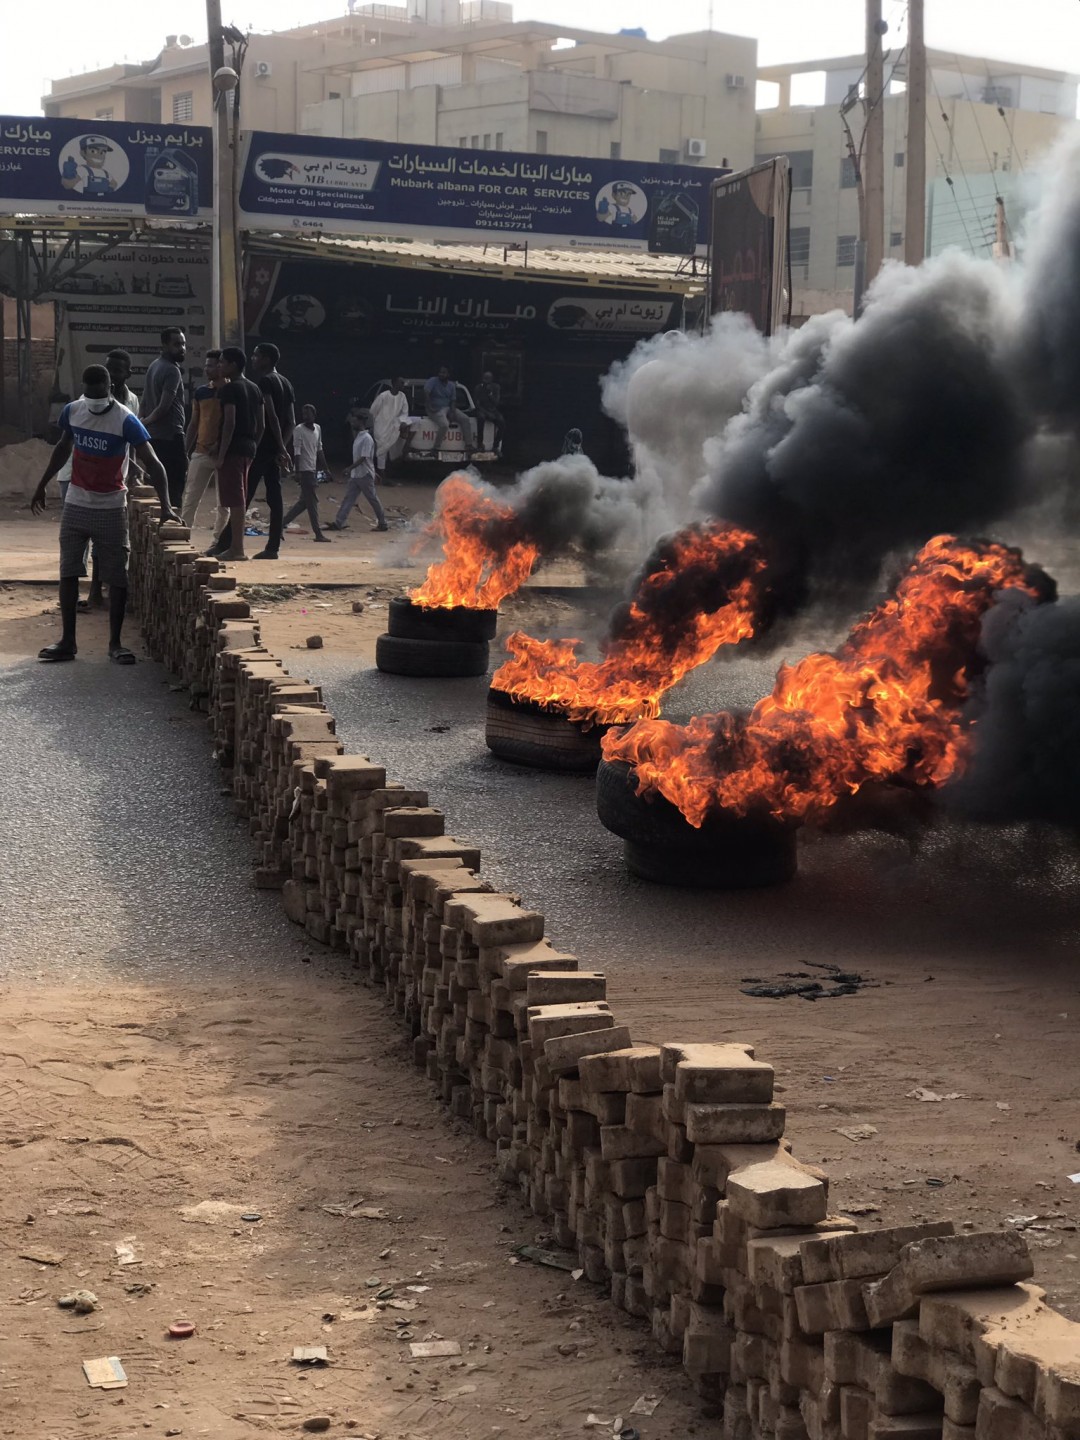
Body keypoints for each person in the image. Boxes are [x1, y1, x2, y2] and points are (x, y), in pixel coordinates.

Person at [30, 364, 179, 664]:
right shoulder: (73, 411)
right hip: (75, 504)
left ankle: (115, 643)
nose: (95, 405)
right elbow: (62, 447)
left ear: (110, 389)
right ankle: (67, 641)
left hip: (111, 507)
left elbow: (154, 463)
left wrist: (166, 507)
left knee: (117, 577)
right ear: (84, 390)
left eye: (100, 397)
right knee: (68, 572)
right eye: (90, 396)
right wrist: (42, 484)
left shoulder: (126, 419)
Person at [57, 348, 142, 610]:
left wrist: (134, 471)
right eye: (109, 368)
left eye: (117, 370)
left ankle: (98, 593)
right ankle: (83, 596)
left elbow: (133, 442)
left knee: (104, 543)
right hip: (75, 478)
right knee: (76, 545)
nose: (113, 375)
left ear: (126, 374)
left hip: (109, 482)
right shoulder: (84, 403)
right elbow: (64, 445)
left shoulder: (129, 405)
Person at [210, 347, 265, 562]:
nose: (219, 366)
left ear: (233, 365)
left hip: (234, 449)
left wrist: (222, 453)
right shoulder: (254, 388)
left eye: (222, 362)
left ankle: (237, 549)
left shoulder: (230, 390)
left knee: (235, 500)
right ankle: (236, 547)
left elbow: (230, 422)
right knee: (239, 497)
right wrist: (254, 445)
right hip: (248, 447)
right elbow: (262, 424)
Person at [180, 349, 227, 541]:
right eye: (206, 365)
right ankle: (183, 537)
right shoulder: (201, 392)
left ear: (221, 366)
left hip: (224, 454)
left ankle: (218, 541)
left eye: (211, 365)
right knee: (190, 499)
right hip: (201, 451)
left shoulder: (233, 391)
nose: (207, 368)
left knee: (225, 504)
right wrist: (185, 450)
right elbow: (194, 423)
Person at [141, 326, 188, 507]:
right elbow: (163, 407)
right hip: (170, 436)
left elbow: (144, 402)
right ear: (164, 345)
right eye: (177, 344)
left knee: (157, 487)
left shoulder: (154, 365)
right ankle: (171, 527)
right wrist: (144, 423)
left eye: (183, 344)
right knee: (175, 488)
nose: (182, 348)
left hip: (154, 438)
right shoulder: (171, 370)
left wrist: (142, 423)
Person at [326, 410, 388, 533]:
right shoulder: (360, 437)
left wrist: (350, 468)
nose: (352, 424)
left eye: (354, 421)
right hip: (358, 475)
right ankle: (339, 522)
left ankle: (383, 523)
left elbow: (364, 457)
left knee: (372, 499)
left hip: (363, 474)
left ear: (361, 422)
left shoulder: (366, 438)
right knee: (349, 499)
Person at [282, 404, 331, 542]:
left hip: (312, 470)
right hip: (305, 471)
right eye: (303, 414)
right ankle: (318, 533)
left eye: (308, 414)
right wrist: (297, 471)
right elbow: (297, 451)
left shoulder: (318, 429)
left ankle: (280, 525)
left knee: (303, 503)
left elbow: (319, 449)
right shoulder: (299, 429)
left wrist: (326, 468)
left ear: (314, 415)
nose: (305, 417)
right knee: (312, 503)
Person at [424, 365, 474, 458]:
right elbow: (426, 393)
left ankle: (469, 445)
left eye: (444, 373)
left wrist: (452, 412)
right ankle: (436, 448)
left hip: (448, 408)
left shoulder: (451, 385)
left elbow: (453, 400)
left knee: (465, 419)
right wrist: (430, 407)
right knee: (444, 424)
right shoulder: (432, 381)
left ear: (448, 374)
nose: (441, 374)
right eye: (440, 372)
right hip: (435, 409)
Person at [370, 376, 411, 473]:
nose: (403, 384)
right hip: (382, 427)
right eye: (401, 382)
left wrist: (402, 421)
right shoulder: (383, 396)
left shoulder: (402, 396)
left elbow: (405, 412)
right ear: (394, 383)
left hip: (394, 426)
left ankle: (383, 472)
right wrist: (381, 420)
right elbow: (373, 410)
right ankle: (381, 473)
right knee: (381, 450)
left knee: (388, 450)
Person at [474, 370, 505, 453]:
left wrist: (490, 393)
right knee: (481, 418)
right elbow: (477, 404)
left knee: (502, 422)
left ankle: (496, 445)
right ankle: (480, 443)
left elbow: (496, 402)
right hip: (482, 409)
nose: (485, 380)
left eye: (487, 379)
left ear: (491, 379)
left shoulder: (496, 387)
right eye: (484, 378)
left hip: (493, 410)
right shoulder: (478, 388)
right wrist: (486, 413)